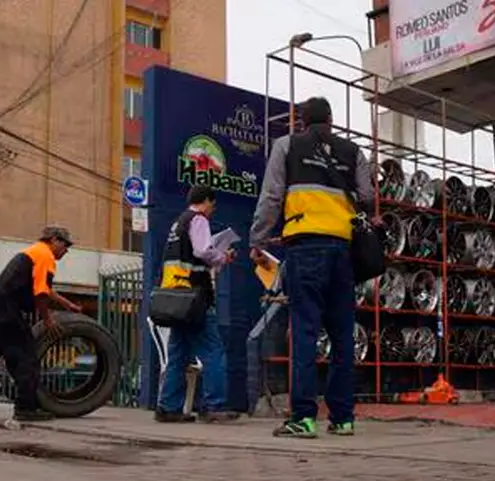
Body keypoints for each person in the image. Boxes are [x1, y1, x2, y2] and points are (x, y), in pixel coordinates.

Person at [249, 96, 375, 438]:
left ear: (301, 121)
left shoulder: (287, 145)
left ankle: (303, 418)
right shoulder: (353, 152)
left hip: (305, 248)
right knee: (342, 337)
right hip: (343, 251)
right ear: (331, 120)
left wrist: (257, 239)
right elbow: (367, 197)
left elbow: (272, 195)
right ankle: (343, 418)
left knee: (304, 333)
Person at [0, 225, 81, 422]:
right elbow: (41, 294)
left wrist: (67, 304)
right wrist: (48, 319)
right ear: (54, 240)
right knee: (26, 357)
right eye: (65, 244)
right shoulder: (46, 256)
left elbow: (44, 288)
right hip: (8, 309)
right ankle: (26, 408)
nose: (66, 250)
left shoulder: (34, 252)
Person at [155, 185, 239, 423]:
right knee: (213, 351)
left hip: (175, 298)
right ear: (206, 201)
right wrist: (223, 256)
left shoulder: (178, 223)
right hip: (194, 298)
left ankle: (167, 407)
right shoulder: (198, 220)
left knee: (179, 354)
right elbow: (202, 250)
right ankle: (213, 406)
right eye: (213, 205)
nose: (212, 210)